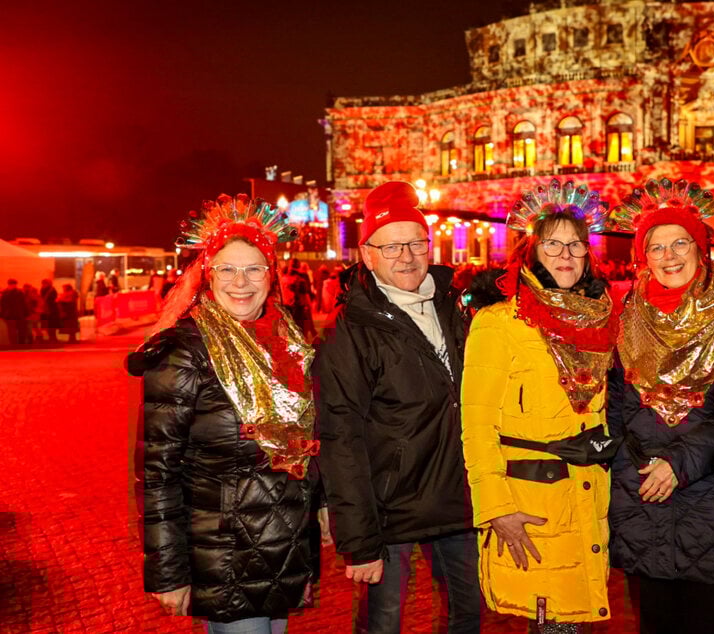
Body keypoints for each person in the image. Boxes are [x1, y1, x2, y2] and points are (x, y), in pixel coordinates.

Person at [127, 193, 322, 633]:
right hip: (224, 553)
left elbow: (305, 443)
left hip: (281, 546)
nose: (241, 282)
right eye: (227, 269)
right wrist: (170, 572)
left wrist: (321, 508)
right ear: (206, 275)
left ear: (272, 274)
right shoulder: (183, 351)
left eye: (254, 268)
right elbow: (158, 471)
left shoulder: (286, 340)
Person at [317, 181, 480, 634]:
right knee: (383, 623)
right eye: (391, 246)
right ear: (367, 255)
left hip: (460, 500)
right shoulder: (351, 327)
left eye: (415, 242)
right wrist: (360, 538)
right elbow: (340, 433)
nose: (406, 256)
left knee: (467, 615)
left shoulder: (453, 306)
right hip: (390, 507)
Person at [606, 179, 714, 634]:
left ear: (701, 249)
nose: (669, 256)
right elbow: (615, 407)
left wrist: (679, 463)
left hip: (711, 499)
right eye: (656, 247)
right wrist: (629, 468)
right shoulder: (628, 316)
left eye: (681, 243)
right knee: (653, 620)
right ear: (643, 256)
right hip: (643, 499)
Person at [460, 179, 619, 632]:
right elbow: (476, 424)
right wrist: (496, 508)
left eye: (576, 245)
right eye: (553, 245)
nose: (566, 256)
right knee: (551, 623)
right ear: (531, 251)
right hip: (530, 506)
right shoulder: (498, 322)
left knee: (575, 620)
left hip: (587, 496)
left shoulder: (599, 314)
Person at [1, 279, 30, 345]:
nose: (13, 285)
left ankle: (14, 344)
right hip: (18, 314)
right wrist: (26, 314)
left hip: (11, 315)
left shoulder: (5, 293)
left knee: (13, 331)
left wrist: (2, 315)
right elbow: (24, 304)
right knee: (19, 330)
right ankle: (20, 344)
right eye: (12, 284)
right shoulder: (19, 293)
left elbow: (3, 305)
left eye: (13, 284)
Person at [39, 278, 60, 343]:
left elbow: (51, 299)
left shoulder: (48, 290)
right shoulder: (49, 289)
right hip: (49, 309)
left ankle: (52, 338)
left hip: (49, 310)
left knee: (51, 324)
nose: (43, 284)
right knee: (50, 325)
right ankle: (52, 338)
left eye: (45, 283)